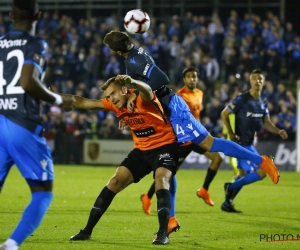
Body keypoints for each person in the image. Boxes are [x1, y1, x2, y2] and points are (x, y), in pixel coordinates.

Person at [103, 31, 280, 197]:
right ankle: (168, 217)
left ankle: (262, 161)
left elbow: (161, 79)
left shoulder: (135, 60)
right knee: (170, 163)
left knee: (210, 144)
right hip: (164, 112)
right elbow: (143, 87)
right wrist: (129, 115)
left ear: (116, 51)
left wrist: (133, 93)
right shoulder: (134, 55)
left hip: (173, 109)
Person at [68, 75, 179, 245]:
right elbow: (84, 103)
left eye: (113, 94)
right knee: (114, 181)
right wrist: (52, 97)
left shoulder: (141, 97)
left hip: (165, 146)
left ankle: (163, 234)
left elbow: (148, 90)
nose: (111, 99)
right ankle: (86, 231)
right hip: (142, 150)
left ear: (124, 89)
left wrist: (133, 83)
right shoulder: (115, 104)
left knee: (161, 179)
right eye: (108, 96)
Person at [0, 1, 74, 250]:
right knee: (43, 191)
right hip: (22, 124)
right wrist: (57, 99)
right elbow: (28, 82)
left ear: (10, 15)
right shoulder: (36, 44)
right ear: (38, 16)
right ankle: (11, 244)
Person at [140, 67, 223, 230]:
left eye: (195, 76)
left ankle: (204, 190)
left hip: (195, 138)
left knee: (217, 158)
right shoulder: (178, 96)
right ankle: (147, 197)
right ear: (184, 79)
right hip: (182, 141)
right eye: (189, 77)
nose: (192, 79)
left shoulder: (200, 93)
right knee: (170, 175)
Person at [220, 69, 288, 213]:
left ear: (263, 82)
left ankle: (228, 197)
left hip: (249, 145)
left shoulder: (263, 101)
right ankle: (230, 192)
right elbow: (224, 113)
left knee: (248, 174)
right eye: (255, 78)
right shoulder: (242, 98)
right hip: (239, 145)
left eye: (260, 79)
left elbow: (267, 122)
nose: (257, 81)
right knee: (258, 171)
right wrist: (231, 133)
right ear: (250, 81)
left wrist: (278, 131)